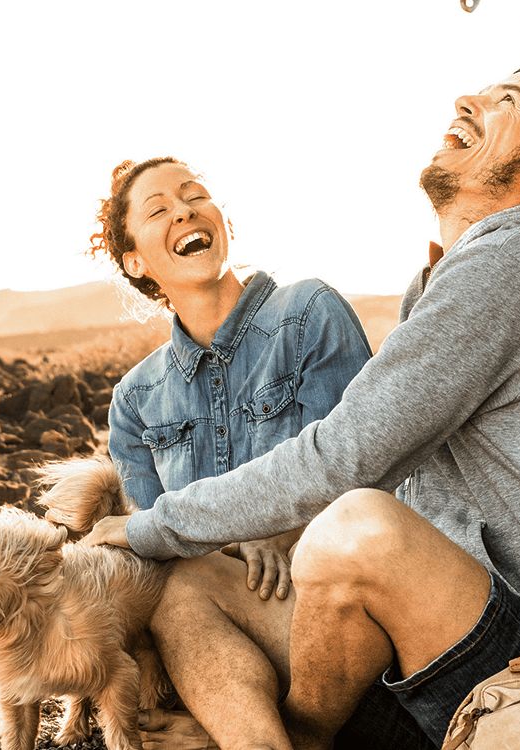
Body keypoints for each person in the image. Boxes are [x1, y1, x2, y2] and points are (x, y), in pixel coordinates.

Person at [83, 58, 520, 750]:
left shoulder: (518, 264)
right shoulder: (476, 270)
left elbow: (344, 460)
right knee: (189, 585)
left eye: (504, 100)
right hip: (462, 632)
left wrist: (155, 526)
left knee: (359, 523)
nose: (466, 99)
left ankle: (300, 735)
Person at [90, 156, 375, 601]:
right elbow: (152, 546)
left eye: (195, 195)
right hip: (209, 606)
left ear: (227, 226)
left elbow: (354, 476)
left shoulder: (308, 313)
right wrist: (235, 538)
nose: (184, 211)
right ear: (135, 262)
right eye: (158, 209)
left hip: (327, 590)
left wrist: (278, 532)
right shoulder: (135, 399)